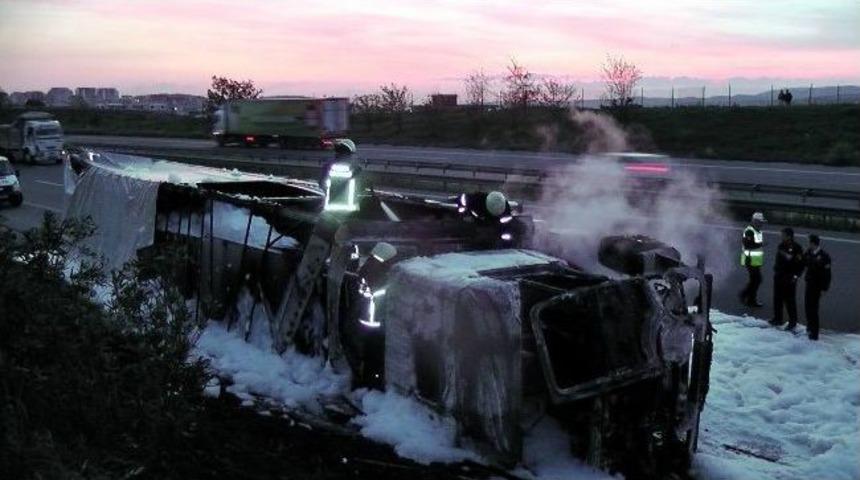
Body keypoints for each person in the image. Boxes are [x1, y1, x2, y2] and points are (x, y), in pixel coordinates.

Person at [770, 227, 805, 330]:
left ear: (789, 236)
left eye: (783, 235)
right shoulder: (781, 245)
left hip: (789, 277)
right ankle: (777, 318)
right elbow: (779, 260)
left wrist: (796, 276)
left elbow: (800, 264)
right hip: (779, 276)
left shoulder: (797, 248)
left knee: (789, 300)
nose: (781, 236)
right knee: (777, 298)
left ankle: (793, 322)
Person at [803, 234, 831, 340]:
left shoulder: (824, 256)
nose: (807, 244)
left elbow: (827, 274)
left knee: (813, 309)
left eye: (808, 242)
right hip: (809, 284)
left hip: (817, 286)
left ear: (812, 243)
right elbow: (803, 262)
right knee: (807, 307)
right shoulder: (808, 252)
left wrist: (824, 288)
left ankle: (814, 334)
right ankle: (809, 328)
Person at [739, 212, 766, 307]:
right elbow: (748, 245)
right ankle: (745, 296)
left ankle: (750, 299)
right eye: (760, 222)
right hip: (750, 259)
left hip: (755, 260)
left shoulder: (757, 230)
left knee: (755, 280)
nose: (762, 224)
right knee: (756, 280)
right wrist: (761, 244)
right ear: (755, 221)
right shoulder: (749, 231)